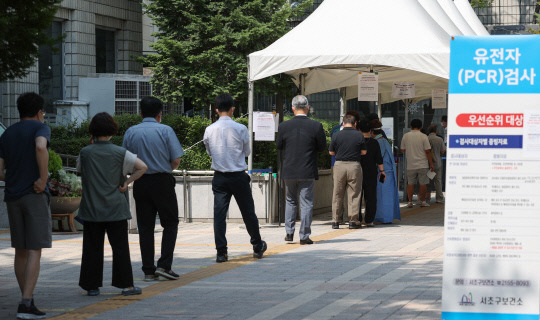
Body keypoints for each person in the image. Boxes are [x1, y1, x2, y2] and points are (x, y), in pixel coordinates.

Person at [77, 112, 147, 296]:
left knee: (92, 248)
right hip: (115, 208)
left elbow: (79, 170)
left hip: (92, 208)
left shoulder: (85, 152)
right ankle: (127, 286)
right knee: (120, 248)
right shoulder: (120, 152)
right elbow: (143, 167)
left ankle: (91, 286)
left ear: (92, 130)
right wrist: (127, 182)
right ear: (112, 129)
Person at [122, 96, 184, 281]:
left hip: (140, 182)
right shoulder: (166, 130)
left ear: (140, 113)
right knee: (170, 223)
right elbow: (176, 160)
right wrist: (165, 169)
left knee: (145, 226)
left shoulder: (131, 132)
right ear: (160, 114)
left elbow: (125, 160)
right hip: (163, 182)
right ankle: (164, 265)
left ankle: (148, 269)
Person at [0, 92, 50, 319]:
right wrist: (42, 178)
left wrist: (10, 178)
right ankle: (26, 304)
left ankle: (26, 300)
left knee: (20, 250)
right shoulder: (41, 128)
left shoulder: (8, 133)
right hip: (33, 195)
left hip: (12, 196)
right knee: (34, 249)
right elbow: (41, 147)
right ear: (39, 112)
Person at [203, 93, 267, 262]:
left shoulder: (209, 130)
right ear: (233, 109)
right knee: (248, 212)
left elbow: (209, 152)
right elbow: (247, 152)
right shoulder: (241, 128)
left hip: (220, 177)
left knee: (219, 215)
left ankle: (221, 252)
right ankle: (257, 244)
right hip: (238, 176)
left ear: (216, 110)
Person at [276, 95, 326, 244]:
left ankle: (289, 233)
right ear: (308, 108)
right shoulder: (316, 126)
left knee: (290, 200)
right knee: (306, 202)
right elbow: (322, 147)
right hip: (307, 169)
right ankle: (304, 236)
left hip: (289, 169)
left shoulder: (283, 126)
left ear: (292, 108)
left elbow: (279, 146)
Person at [329, 114, 367, 229]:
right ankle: (353, 221)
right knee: (354, 193)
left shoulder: (336, 135)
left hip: (339, 165)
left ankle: (335, 221)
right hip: (354, 166)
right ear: (355, 124)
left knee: (337, 193)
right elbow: (364, 152)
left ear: (343, 123)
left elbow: (331, 152)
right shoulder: (359, 135)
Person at [371, 119, 401, 223]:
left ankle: (382, 217)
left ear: (371, 131)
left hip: (382, 172)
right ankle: (387, 217)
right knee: (388, 196)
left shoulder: (377, 142)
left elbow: (378, 158)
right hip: (389, 172)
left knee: (381, 197)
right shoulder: (385, 141)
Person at [400, 119, 434, 208]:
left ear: (411, 126)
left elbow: (402, 149)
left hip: (410, 164)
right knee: (423, 183)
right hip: (423, 164)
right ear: (421, 127)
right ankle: (423, 201)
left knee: (410, 183)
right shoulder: (424, 136)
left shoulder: (405, 136)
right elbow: (428, 151)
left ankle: (410, 202)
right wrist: (431, 163)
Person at [358, 119, 385, 227]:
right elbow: (379, 159)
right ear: (370, 130)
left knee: (357, 196)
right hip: (371, 173)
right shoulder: (374, 143)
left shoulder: (357, 142)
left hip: (357, 172)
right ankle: (369, 220)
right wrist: (382, 171)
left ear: (359, 130)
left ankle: (358, 219)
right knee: (371, 197)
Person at [426, 124, 446, 203]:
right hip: (437, 162)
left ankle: (427, 198)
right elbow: (442, 151)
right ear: (436, 131)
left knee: (428, 180)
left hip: (427, 163)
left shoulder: (426, 138)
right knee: (438, 180)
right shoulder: (439, 139)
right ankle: (439, 198)